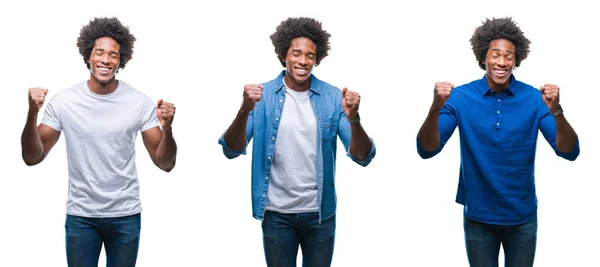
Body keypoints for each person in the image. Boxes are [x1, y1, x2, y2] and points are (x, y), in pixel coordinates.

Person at [416, 17, 580, 267]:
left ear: (517, 60)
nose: (502, 62)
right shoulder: (460, 97)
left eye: (509, 56)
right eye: (495, 54)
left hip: (522, 218)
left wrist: (557, 111)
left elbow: (569, 151)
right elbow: (427, 150)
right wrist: (435, 108)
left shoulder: (534, 98)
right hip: (479, 218)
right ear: (483, 57)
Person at [218, 17, 376, 267]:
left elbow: (362, 156)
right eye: (297, 53)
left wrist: (354, 119)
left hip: (320, 215)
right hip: (277, 215)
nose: (303, 61)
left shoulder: (333, 97)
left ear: (317, 59)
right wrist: (244, 109)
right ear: (283, 55)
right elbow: (231, 149)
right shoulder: (263, 96)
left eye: (310, 56)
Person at [21, 17, 177, 267]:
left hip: (125, 214)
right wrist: (32, 114)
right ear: (88, 55)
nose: (106, 60)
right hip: (81, 216)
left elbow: (165, 162)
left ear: (121, 59)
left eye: (113, 55)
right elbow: (32, 157)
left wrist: (167, 129)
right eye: (99, 53)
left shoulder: (139, 102)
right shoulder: (65, 101)